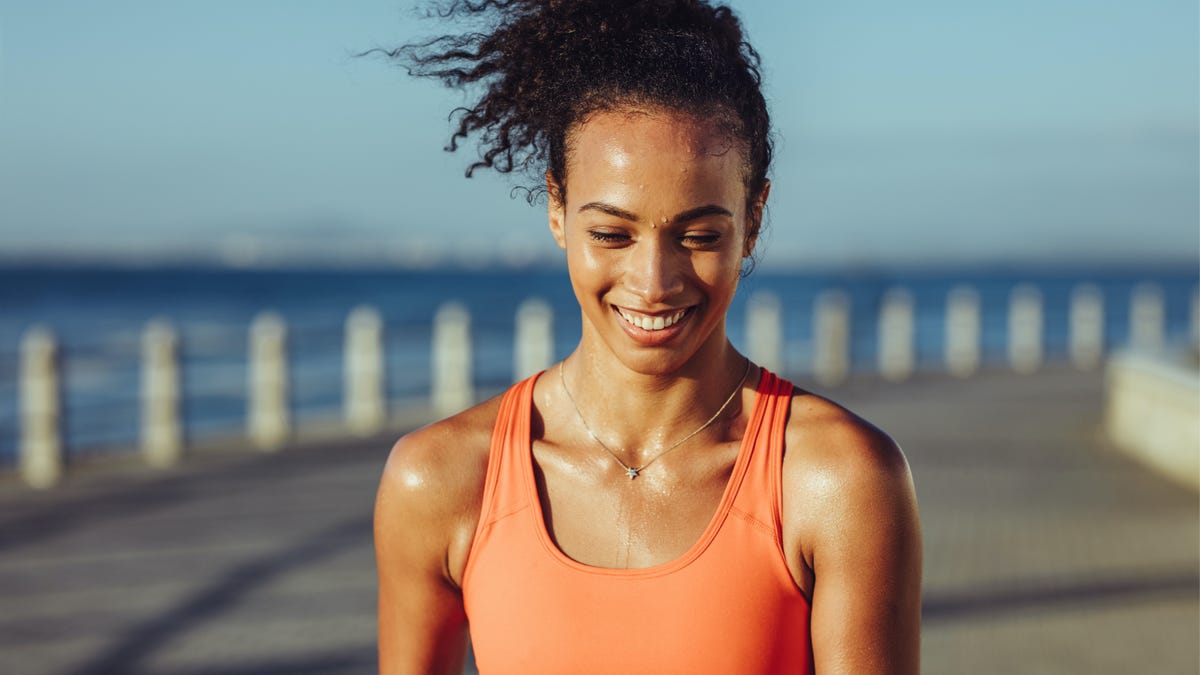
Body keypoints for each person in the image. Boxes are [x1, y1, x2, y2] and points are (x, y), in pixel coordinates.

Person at [373, 1, 922, 672]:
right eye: (611, 232)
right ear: (556, 207)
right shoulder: (441, 479)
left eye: (699, 236)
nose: (654, 280)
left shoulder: (838, 480)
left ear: (753, 218)